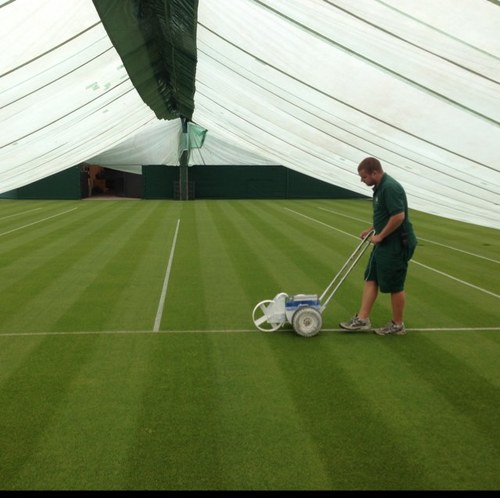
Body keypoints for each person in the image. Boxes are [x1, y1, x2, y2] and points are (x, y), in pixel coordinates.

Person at [340, 157, 417, 336]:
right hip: (384, 242)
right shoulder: (379, 189)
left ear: (375, 172)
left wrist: (380, 235)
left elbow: (398, 216)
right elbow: (385, 215)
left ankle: (398, 325)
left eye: (364, 177)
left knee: (395, 284)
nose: (362, 180)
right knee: (371, 277)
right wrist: (371, 230)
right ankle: (362, 319)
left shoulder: (390, 188)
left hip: (397, 244)